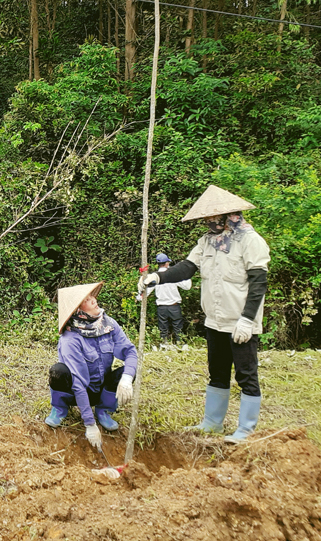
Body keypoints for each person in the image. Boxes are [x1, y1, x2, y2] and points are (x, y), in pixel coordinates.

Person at [139, 185, 269, 443]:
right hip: (215, 321)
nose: (209, 223)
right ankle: (212, 423)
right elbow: (187, 268)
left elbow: (258, 284)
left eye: (213, 218)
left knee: (245, 375)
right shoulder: (206, 242)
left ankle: (246, 429)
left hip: (240, 323)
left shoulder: (251, 242)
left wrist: (247, 319)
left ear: (231, 215)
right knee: (217, 372)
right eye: (206, 219)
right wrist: (157, 277)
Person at [44, 282, 138, 452]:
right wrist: (89, 424)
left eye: (92, 296)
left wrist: (126, 379)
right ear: (78, 311)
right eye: (86, 300)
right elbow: (78, 383)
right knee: (58, 371)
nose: (93, 299)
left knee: (128, 371)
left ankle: (103, 409)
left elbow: (130, 351)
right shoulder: (70, 338)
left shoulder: (108, 324)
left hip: (100, 389)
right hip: (76, 391)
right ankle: (60, 408)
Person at [140, 253, 192, 346]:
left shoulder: (154, 276)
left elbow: (146, 291)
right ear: (167, 263)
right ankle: (180, 343)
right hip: (174, 306)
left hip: (161, 307)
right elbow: (187, 286)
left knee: (163, 328)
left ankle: (164, 344)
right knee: (178, 326)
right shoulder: (173, 275)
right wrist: (186, 273)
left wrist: (139, 297)